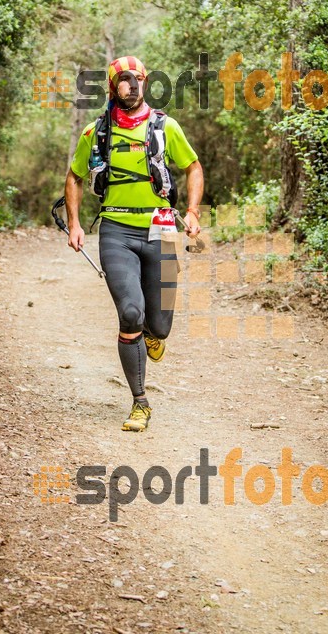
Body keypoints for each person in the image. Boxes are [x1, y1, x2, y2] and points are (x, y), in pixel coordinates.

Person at [65, 56, 203, 432]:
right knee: (130, 313)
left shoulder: (165, 126)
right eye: (123, 80)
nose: (132, 84)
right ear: (113, 87)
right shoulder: (96, 133)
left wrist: (191, 211)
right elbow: (75, 176)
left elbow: (193, 167)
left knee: (160, 325)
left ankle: (154, 337)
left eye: (137, 78)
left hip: (162, 228)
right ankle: (140, 402)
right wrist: (75, 224)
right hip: (116, 230)